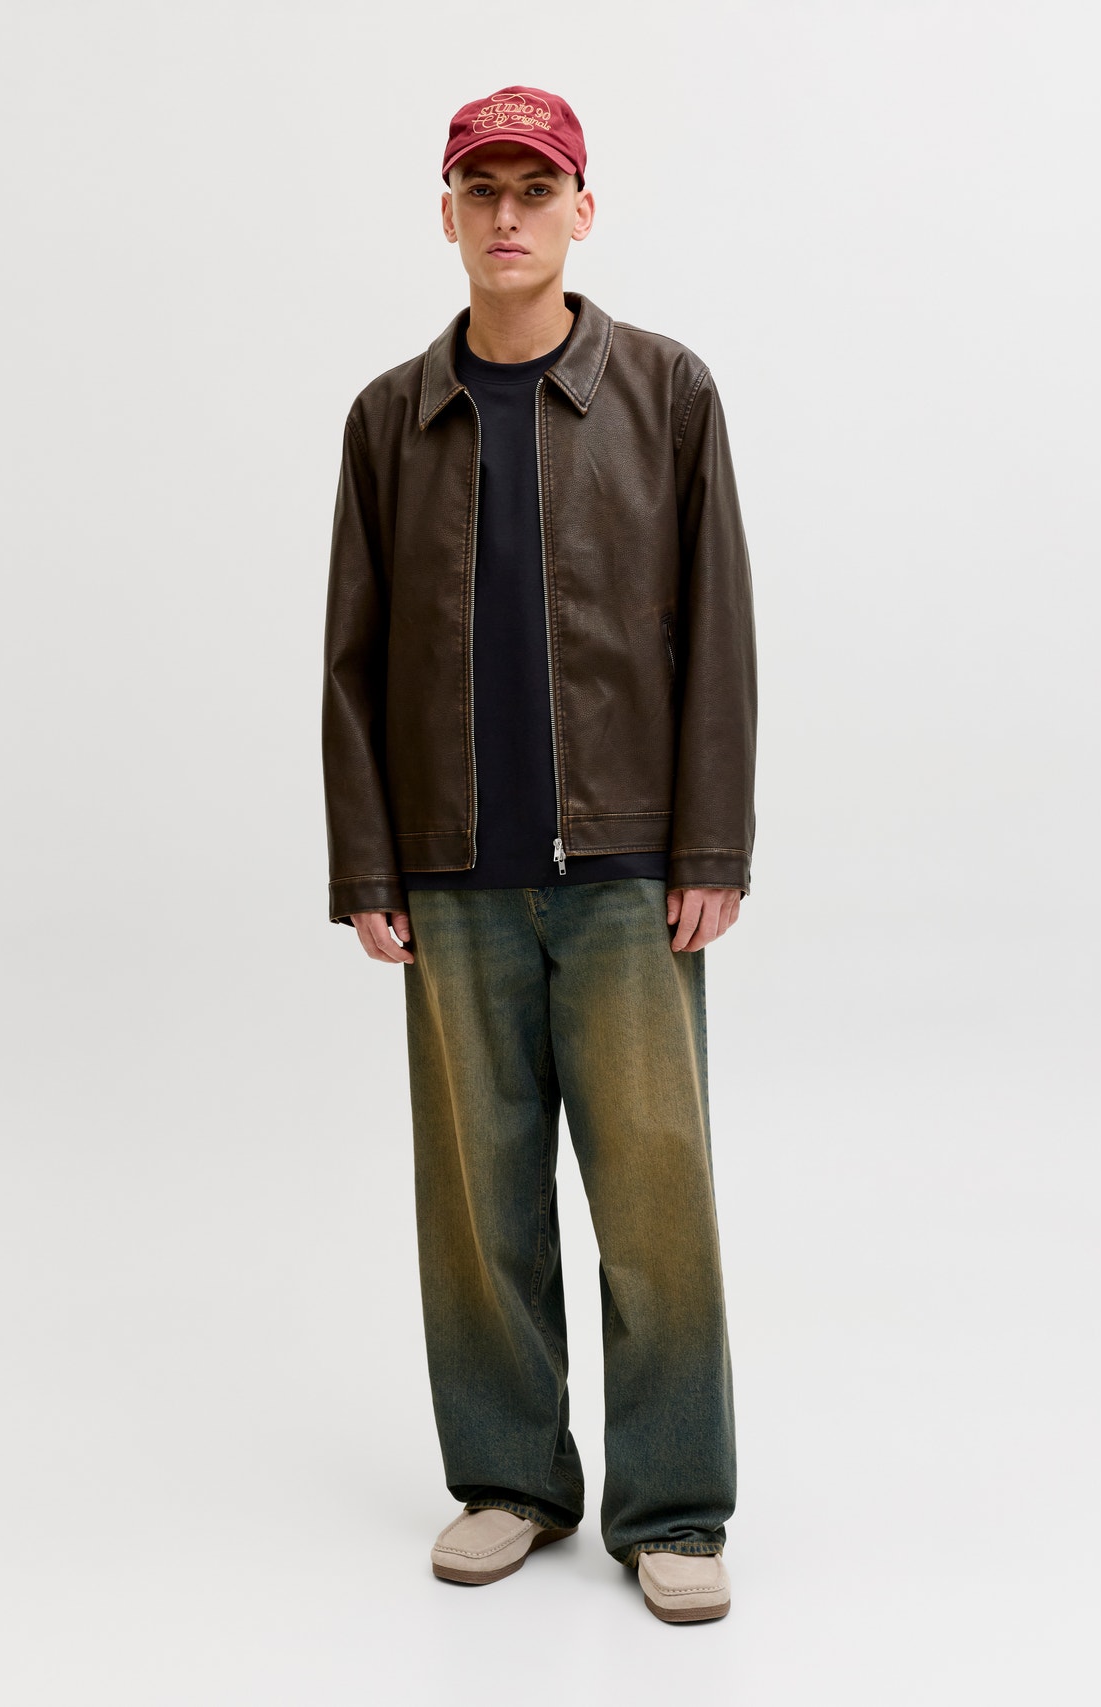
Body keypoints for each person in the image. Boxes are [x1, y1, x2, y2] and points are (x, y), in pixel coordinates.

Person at [321, 84, 757, 1624]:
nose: (508, 215)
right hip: (453, 882)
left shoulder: (667, 391)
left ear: (583, 209)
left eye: (535, 188)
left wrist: (711, 841)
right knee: (477, 1207)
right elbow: (352, 662)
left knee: (656, 1201)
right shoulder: (389, 419)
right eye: (481, 189)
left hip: (630, 874)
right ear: (446, 213)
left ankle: (675, 1507)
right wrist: (369, 867)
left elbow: (720, 629)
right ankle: (509, 1480)